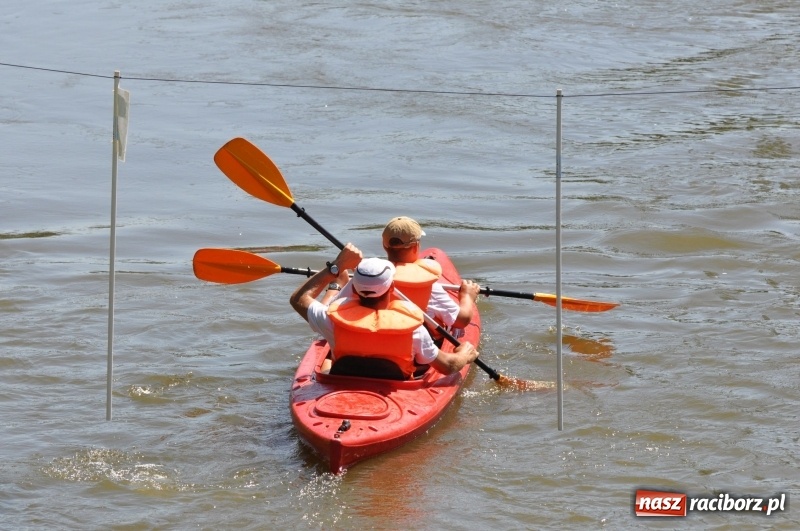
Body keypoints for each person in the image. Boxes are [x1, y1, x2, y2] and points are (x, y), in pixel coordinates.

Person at [290, 243, 479, 379]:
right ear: (391, 289)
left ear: (354, 289)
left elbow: (298, 299)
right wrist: (464, 355)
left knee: (328, 356)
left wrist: (337, 265)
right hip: (395, 389)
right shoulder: (413, 328)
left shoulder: (332, 319)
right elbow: (447, 366)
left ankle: (336, 285)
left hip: (342, 382)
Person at [328, 217, 480, 336]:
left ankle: (336, 285)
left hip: (367, 341)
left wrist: (335, 288)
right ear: (416, 246)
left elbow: (330, 311)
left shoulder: (365, 279)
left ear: (383, 245)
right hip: (410, 353)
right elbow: (461, 320)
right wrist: (467, 296)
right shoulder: (429, 285)